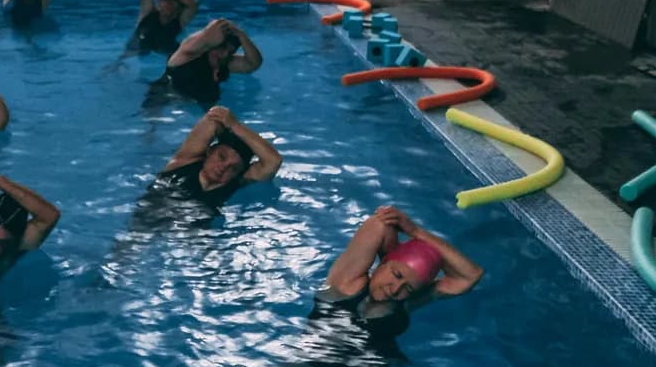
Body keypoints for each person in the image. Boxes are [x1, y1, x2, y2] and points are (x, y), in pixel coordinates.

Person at [315, 205, 486, 347]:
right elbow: (380, 223)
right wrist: (397, 246)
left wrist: (417, 232)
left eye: (408, 287)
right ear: (383, 262)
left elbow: (471, 276)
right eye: (397, 275)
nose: (396, 289)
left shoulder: (408, 301)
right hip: (315, 362)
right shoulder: (346, 282)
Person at [146, 106, 282, 209]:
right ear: (209, 151)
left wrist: (236, 126)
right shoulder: (183, 162)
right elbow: (214, 117)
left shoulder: (236, 184)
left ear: (238, 173)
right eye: (221, 157)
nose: (223, 167)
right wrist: (233, 126)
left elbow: (274, 161)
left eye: (233, 168)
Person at [163, 18, 263, 106]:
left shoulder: (223, 62)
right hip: (167, 100)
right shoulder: (186, 57)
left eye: (230, 52)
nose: (225, 54)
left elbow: (253, 64)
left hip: (203, 106)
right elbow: (191, 44)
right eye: (222, 48)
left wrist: (242, 35)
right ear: (211, 45)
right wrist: (208, 34)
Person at [128, 0, 197, 53]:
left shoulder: (181, 20)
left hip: (165, 54)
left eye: (176, 0)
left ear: (181, 8)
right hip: (136, 54)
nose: (169, 3)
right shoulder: (147, 13)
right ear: (160, 0)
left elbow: (193, 4)